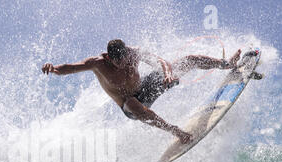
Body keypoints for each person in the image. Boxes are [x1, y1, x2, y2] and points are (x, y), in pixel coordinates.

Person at [42, 39, 241, 143]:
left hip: (145, 87)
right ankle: (178, 133)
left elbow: (161, 61)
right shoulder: (97, 63)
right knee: (133, 105)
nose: (123, 64)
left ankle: (227, 64)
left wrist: (167, 75)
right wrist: (55, 69)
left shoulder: (134, 52)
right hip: (129, 103)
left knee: (188, 59)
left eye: (125, 59)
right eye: (117, 62)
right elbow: (71, 68)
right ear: (109, 58)